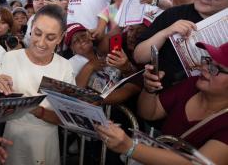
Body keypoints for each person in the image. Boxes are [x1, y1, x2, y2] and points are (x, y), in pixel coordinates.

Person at [96, 42, 228, 165]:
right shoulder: (191, 85)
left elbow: (198, 163)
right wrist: (149, 89)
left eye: (216, 68)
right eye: (208, 60)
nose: (204, 68)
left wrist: (130, 147)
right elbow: (149, 113)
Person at [0, 4, 75, 165]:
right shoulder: (10, 58)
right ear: (31, 29)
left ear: (61, 37)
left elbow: (65, 117)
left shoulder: (65, 67)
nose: (41, 43)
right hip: (12, 137)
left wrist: (34, 109)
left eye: (50, 37)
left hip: (47, 140)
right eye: (37, 33)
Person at [134, 0, 228, 89]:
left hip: (200, 97)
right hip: (158, 89)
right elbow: (139, 56)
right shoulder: (174, 14)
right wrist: (165, 33)